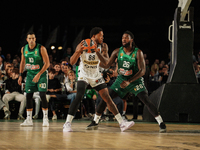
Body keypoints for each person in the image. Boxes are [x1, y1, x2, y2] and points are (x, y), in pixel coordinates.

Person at [89, 30, 166, 133]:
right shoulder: (117, 51)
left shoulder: (138, 52)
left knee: (146, 100)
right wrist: (94, 63)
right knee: (106, 98)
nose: (123, 39)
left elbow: (142, 71)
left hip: (135, 81)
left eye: (126, 38)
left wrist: (130, 81)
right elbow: (107, 64)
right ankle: (95, 121)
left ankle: (161, 122)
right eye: (122, 38)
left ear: (131, 40)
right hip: (121, 80)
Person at [63, 27, 134, 132]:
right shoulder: (82, 44)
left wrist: (97, 52)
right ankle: (67, 123)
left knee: (107, 97)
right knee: (79, 95)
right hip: (84, 74)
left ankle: (122, 123)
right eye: (101, 35)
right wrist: (78, 51)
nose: (102, 37)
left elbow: (106, 64)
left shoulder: (103, 46)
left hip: (95, 74)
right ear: (93, 36)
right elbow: (72, 62)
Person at [18, 31, 50, 126]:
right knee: (28, 96)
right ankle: (28, 119)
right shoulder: (24, 49)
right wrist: (20, 75)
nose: (31, 40)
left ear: (35, 39)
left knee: (42, 95)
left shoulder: (41, 48)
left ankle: (45, 118)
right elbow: (22, 62)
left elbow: (47, 63)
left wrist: (39, 74)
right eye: (29, 38)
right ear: (27, 39)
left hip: (41, 74)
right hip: (30, 74)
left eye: (33, 38)